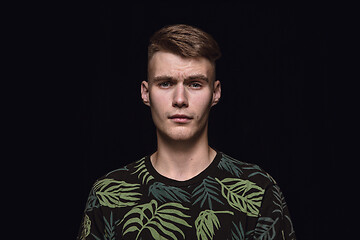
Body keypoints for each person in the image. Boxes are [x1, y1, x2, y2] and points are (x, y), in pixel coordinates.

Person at [77, 24, 296, 240]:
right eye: (165, 84)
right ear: (146, 93)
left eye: (195, 84)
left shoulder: (258, 190)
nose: (180, 100)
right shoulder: (108, 194)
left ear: (215, 93)